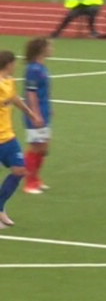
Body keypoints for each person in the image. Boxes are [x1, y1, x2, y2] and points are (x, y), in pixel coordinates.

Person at [0, 49, 44, 228]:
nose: (16, 66)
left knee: (20, 170)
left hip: (8, 137)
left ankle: (0, 208)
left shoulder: (9, 82)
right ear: (8, 64)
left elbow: (15, 98)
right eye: (14, 63)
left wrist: (30, 113)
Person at [22, 38, 53, 194]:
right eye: (50, 46)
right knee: (36, 147)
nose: (52, 49)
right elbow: (31, 93)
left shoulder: (42, 67)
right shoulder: (33, 69)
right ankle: (29, 182)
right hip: (36, 113)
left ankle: (36, 178)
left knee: (44, 147)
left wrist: (49, 109)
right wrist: (35, 114)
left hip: (44, 111)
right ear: (42, 49)